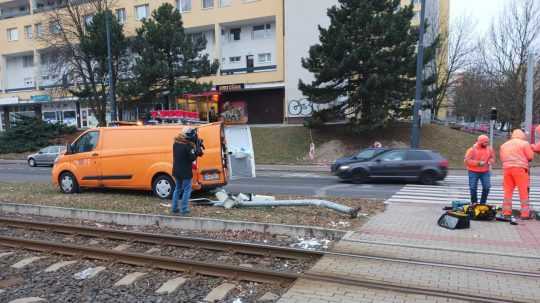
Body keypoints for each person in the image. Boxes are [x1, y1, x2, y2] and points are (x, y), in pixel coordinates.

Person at [499, 129, 534, 220]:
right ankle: (525, 214)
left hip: (507, 170)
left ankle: (506, 212)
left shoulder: (504, 145)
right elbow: (530, 157)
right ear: (522, 135)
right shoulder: (524, 144)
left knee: (508, 192)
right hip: (520, 169)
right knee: (523, 191)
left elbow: (502, 158)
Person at [171, 128, 197, 215]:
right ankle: (184, 209)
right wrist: (195, 152)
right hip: (185, 171)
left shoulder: (175, 144)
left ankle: (174, 208)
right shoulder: (187, 146)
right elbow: (192, 158)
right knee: (187, 190)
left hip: (176, 170)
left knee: (177, 189)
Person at [464, 135, 494, 204]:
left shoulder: (489, 149)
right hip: (473, 172)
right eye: (485, 142)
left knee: (487, 187)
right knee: (473, 188)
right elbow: (466, 161)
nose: (486, 144)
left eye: (487, 142)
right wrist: (478, 163)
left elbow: (492, 157)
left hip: (485, 171)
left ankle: (482, 203)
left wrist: (491, 161)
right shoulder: (472, 150)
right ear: (480, 142)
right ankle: (474, 203)